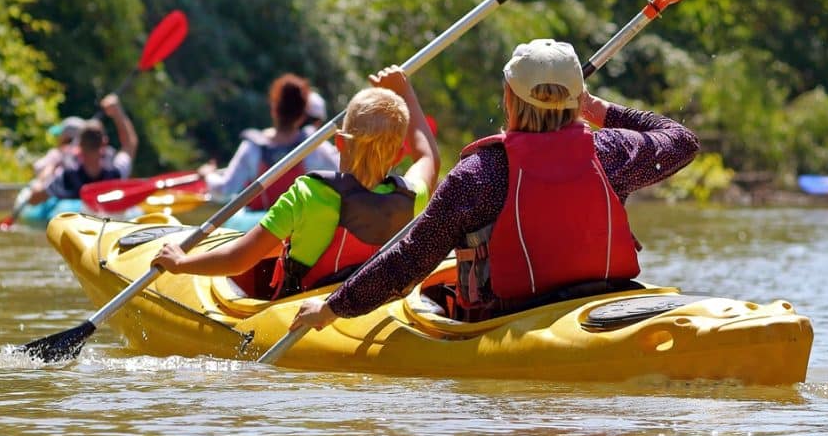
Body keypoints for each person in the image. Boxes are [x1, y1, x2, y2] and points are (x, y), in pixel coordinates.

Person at [291, 38, 700, 329]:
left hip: (511, 318)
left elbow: (411, 258)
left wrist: (332, 308)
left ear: (509, 98)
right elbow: (681, 140)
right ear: (577, 99)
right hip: (606, 300)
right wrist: (598, 109)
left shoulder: (480, 175)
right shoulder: (611, 152)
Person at [152, 65, 440, 300]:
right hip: (369, 308)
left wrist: (180, 263)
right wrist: (404, 91)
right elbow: (428, 156)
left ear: (339, 142)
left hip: (303, 308)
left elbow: (238, 260)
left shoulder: (308, 193)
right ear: (400, 152)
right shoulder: (412, 195)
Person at [200, 74, 340, 211]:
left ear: (274, 109)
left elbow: (224, 190)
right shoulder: (314, 146)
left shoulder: (252, 148)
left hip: (259, 228)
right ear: (302, 115)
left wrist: (209, 175)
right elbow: (341, 173)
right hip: (299, 226)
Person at [28, 94, 138, 203]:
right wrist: (118, 112)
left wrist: (50, 168)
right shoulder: (115, 174)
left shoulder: (66, 177)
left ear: (78, 146)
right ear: (104, 143)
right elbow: (130, 144)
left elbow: (34, 198)